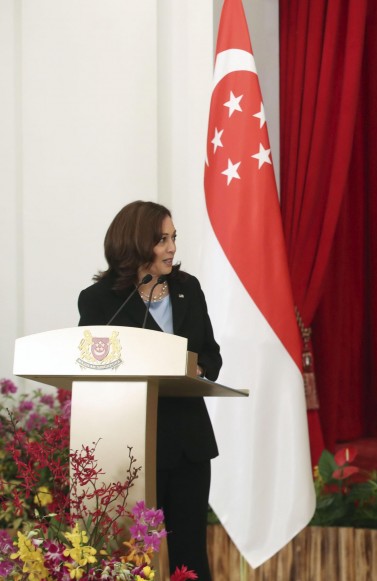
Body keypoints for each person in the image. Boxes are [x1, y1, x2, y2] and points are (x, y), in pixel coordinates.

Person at [78, 200, 220, 580]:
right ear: (136, 242)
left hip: (188, 444)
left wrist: (196, 368)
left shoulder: (188, 288)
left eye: (173, 238)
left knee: (190, 558)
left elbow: (212, 354)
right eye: (161, 240)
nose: (172, 248)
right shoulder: (99, 300)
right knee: (128, 558)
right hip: (129, 450)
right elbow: (90, 367)